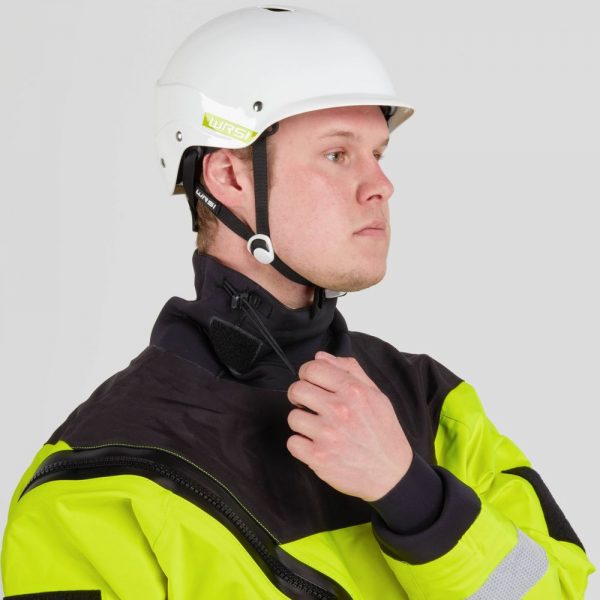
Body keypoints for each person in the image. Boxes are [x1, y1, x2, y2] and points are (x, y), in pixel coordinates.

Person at [1, 6, 594, 599]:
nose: (380, 186)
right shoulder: (96, 476)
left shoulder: (432, 403)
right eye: (338, 154)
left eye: (379, 154)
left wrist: (413, 496)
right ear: (230, 177)